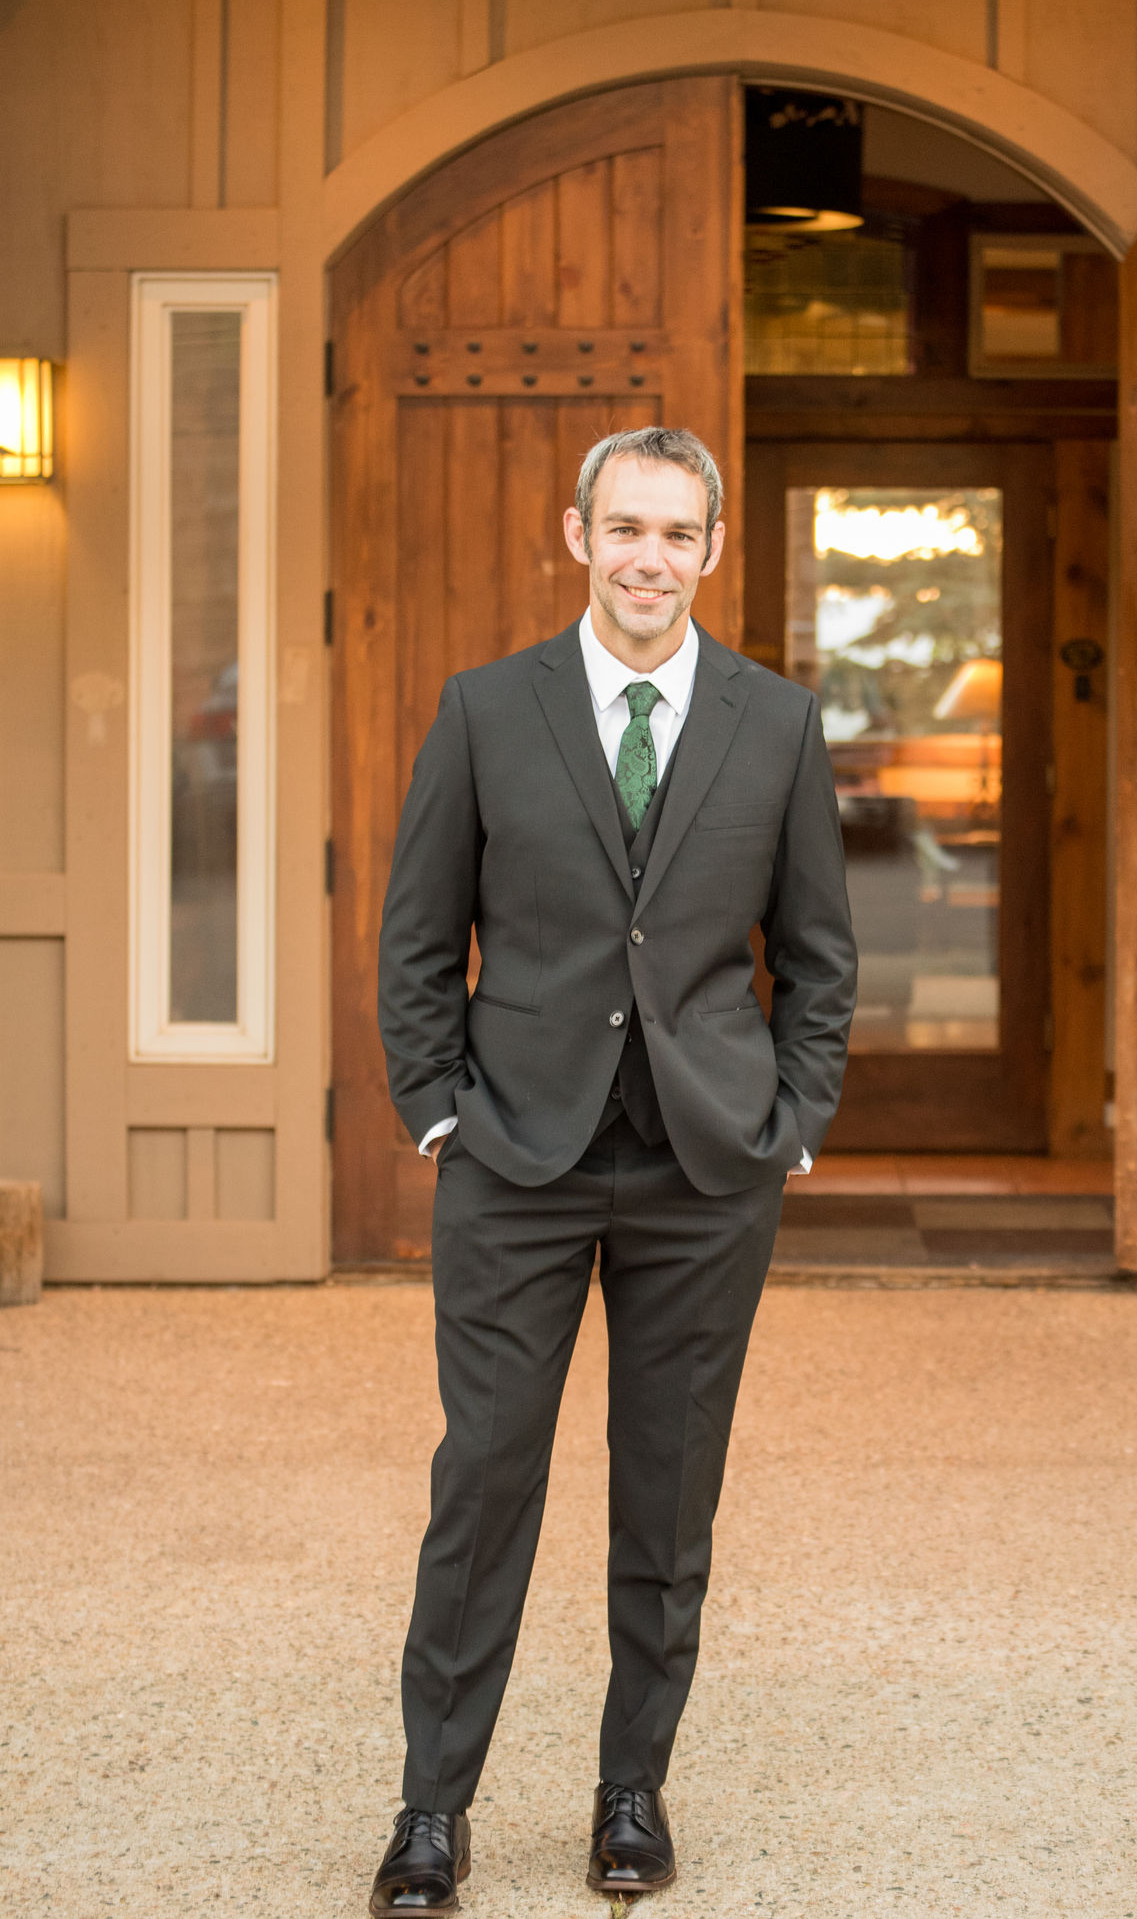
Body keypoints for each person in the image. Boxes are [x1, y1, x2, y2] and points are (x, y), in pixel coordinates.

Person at [369, 425, 857, 1912]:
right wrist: (439, 1110)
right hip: (515, 1154)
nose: (650, 557)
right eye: (624, 528)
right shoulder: (483, 710)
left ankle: (630, 1789)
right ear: (576, 536)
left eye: (677, 533)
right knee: (486, 1480)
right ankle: (431, 1808)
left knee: (668, 1494)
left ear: (712, 551)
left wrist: (794, 1117)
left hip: (708, 1170)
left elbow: (822, 955)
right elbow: (415, 936)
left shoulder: (775, 726)